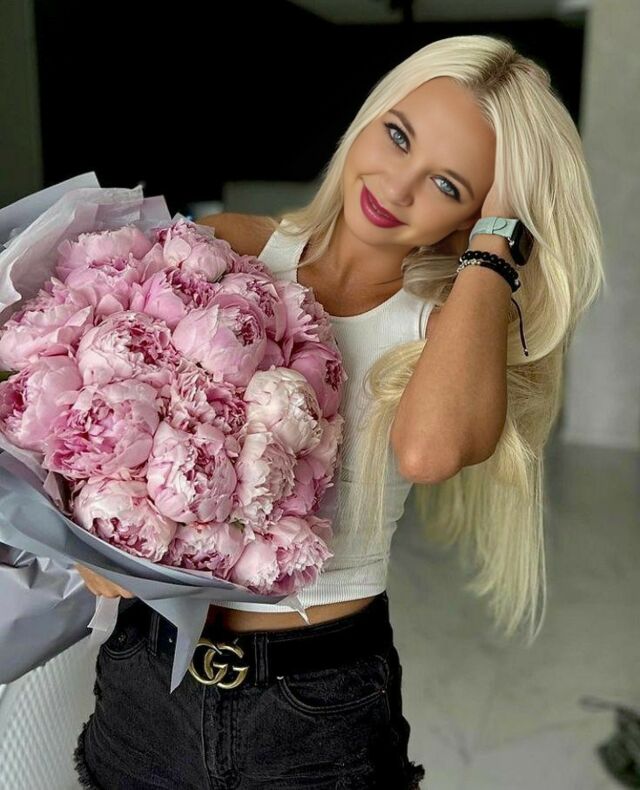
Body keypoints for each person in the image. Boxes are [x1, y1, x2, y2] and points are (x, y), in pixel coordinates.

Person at [72, 33, 604, 789]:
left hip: (314, 705)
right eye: (398, 136)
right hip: (146, 676)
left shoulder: (445, 331)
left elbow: (428, 452)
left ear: (475, 216)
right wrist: (87, 534)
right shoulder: (230, 247)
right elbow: (103, 411)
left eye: (447, 184)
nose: (397, 187)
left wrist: (496, 247)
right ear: (369, 116)